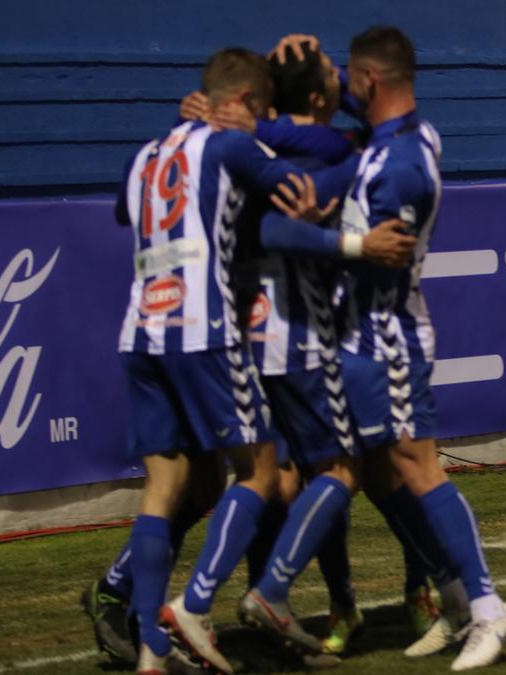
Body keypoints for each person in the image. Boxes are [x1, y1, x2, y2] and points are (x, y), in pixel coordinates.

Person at [275, 26, 506, 671]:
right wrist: (319, 68)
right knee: (384, 477)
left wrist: (315, 232)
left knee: (417, 468)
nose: (341, 91)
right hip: (364, 338)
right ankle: (454, 597)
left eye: (348, 78)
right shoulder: (411, 136)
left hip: (385, 336)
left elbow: (381, 261)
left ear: (370, 80)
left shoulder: (398, 169)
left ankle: (490, 609)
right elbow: (366, 108)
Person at [113, 47, 365, 675]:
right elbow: (300, 187)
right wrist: (359, 167)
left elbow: (126, 211)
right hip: (203, 327)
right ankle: (193, 607)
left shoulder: (144, 155)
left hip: (141, 331)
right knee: (260, 470)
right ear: (249, 104)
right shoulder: (229, 148)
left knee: (163, 488)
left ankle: (150, 649)